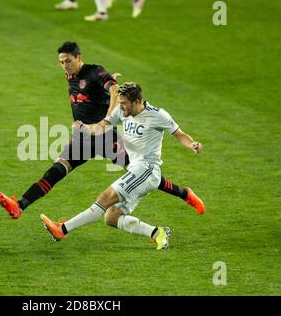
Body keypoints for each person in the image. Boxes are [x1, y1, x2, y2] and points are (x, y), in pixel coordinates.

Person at [0, 42, 205, 220]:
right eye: (61, 62)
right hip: (82, 137)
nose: (64, 66)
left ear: (79, 58)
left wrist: (107, 115)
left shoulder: (95, 71)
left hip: (105, 136)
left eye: (68, 61)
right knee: (55, 171)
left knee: (142, 173)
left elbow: (114, 89)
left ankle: (185, 194)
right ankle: (19, 205)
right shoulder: (71, 76)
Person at [40, 82, 204, 249]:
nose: (121, 107)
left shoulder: (158, 115)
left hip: (147, 170)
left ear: (137, 101)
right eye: (120, 103)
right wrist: (85, 128)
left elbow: (179, 134)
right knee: (111, 217)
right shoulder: (122, 110)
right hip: (137, 170)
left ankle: (62, 230)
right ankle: (157, 233)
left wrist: (192, 144)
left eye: (124, 103)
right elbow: (102, 127)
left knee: (104, 199)